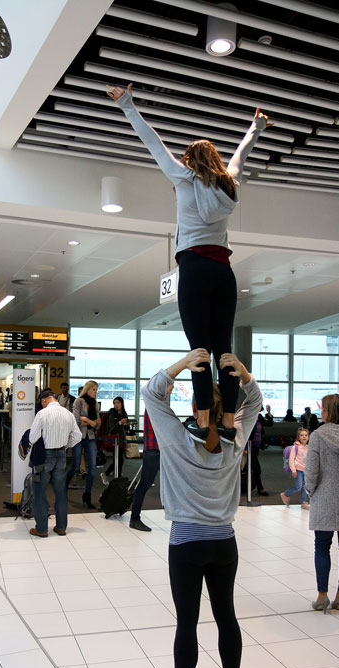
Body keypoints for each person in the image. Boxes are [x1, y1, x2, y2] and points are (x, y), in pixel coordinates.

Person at [107, 82, 271, 445]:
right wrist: (255, 128)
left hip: (194, 269)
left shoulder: (182, 177)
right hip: (224, 273)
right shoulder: (229, 185)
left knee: (199, 350)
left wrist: (128, 105)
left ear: (189, 161)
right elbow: (242, 155)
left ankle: (201, 419)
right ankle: (227, 420)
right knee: (223, 349)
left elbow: (153, 143)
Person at [142, 349, 262, 668]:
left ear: (196, 407)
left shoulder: (177, 438)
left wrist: (183, 364)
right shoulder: (235, 440)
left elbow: (151, 393)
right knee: (226, 615)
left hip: (186, 543)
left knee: (187, 622)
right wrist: (241, 371)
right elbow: (255, 400)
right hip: (225, 541)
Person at [305, 393, 339, 614]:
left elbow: (311, 470)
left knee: (322, 546)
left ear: (327, 412)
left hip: (324, 499)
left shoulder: (319, 435)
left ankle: (322, 595)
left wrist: (310, 491)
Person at [28, 388, 82, 538]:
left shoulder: (42, 414)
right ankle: (61, 527)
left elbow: (32, 438)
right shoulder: (68, 414)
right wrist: (65, 445)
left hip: (45, 456)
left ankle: (42, 529)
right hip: (61, 455)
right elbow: (77, 436)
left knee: (39, 491)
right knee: (60, 492)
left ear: (44, 400)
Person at [129, 407, 165, 532]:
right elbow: (161, 427)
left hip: (158, 451)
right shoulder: (153, 407)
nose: (171, 388)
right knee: (144, 485)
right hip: (153, 451)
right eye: (169, 386)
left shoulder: (157, 405)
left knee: (169, 484)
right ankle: (134, 519)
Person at [66, 381, 101, 508]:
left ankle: (87, 495)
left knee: (92, 467)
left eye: (96, 390)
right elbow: (75, 422)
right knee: (75, 466)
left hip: (91, 437)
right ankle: (64, 485)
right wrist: (91, 422)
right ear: (87, 389)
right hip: (79, 437)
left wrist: (86, 419)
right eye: (93, 390)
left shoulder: (95, 404)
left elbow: (98, 424)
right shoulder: (78, 401)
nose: (95, 392)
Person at [100, 396, 129, 480]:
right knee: (118, 459)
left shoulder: (124, 413)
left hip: (121, 439)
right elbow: (111, 428)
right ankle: (108, 474)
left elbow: (124, 428)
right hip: (114, 440)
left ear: (122, 404)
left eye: (118, 403)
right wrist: (120, 423)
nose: (116, 405)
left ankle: (117, 476)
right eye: (114, 403)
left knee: (119, 459)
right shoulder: (111, 414)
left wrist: (126, 425)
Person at [280, 428, 310, 510]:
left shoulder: (309, 447)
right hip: (298, 470)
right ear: (298, 437)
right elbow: (291, 459)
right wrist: (293, 470)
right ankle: (285, 494)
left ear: (308, 437)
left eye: (306, 435)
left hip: (306, 470)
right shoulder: (295, 447)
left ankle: (304, 502)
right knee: (298, 486)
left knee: (305, 487)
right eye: (302, 435)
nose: (304, 437)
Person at [249, 407, 274, 496]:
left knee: (252, 467)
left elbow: (269, 424)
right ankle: (260, 488)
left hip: (257, 445)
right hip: (249, 446)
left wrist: (269, 413)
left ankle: (256, 487)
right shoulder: (248, 416)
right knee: (256, 467)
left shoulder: (259, 417)